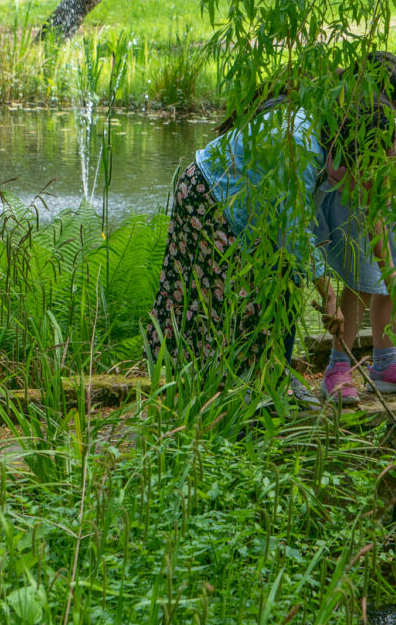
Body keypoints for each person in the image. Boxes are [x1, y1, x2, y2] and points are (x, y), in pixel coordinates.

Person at [146, 89, 350, 403]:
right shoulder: (304, 147)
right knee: (224, 305)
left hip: (236, 204)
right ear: (342, 150)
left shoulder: (317, 138)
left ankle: (268, 384)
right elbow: (294, 232)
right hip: (210, 197)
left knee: (276, 282)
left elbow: (294, 232)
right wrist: (330, 295)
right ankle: (221, 397)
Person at [315, 52, 396, 402]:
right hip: (353, 209)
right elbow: (369, 207)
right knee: (362, 284)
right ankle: (338, 368)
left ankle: (385, 362)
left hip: (385, 207)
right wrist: (387, 268)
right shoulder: (350, 128)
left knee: (392, 278)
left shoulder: (395, 124)